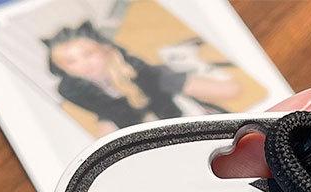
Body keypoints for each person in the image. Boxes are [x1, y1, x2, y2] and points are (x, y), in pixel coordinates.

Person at [43, 22, 241, 135]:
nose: (83, 64)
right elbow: (105, 111)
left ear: (106, 49)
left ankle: (186, 61)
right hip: (118, 109)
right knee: (105, 147)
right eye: (70, 62)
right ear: (61, 68)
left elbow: (160, 98)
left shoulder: (136, 68)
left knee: (230, 91)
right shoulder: (69, 90)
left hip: (158, 90)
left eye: (88, 54)